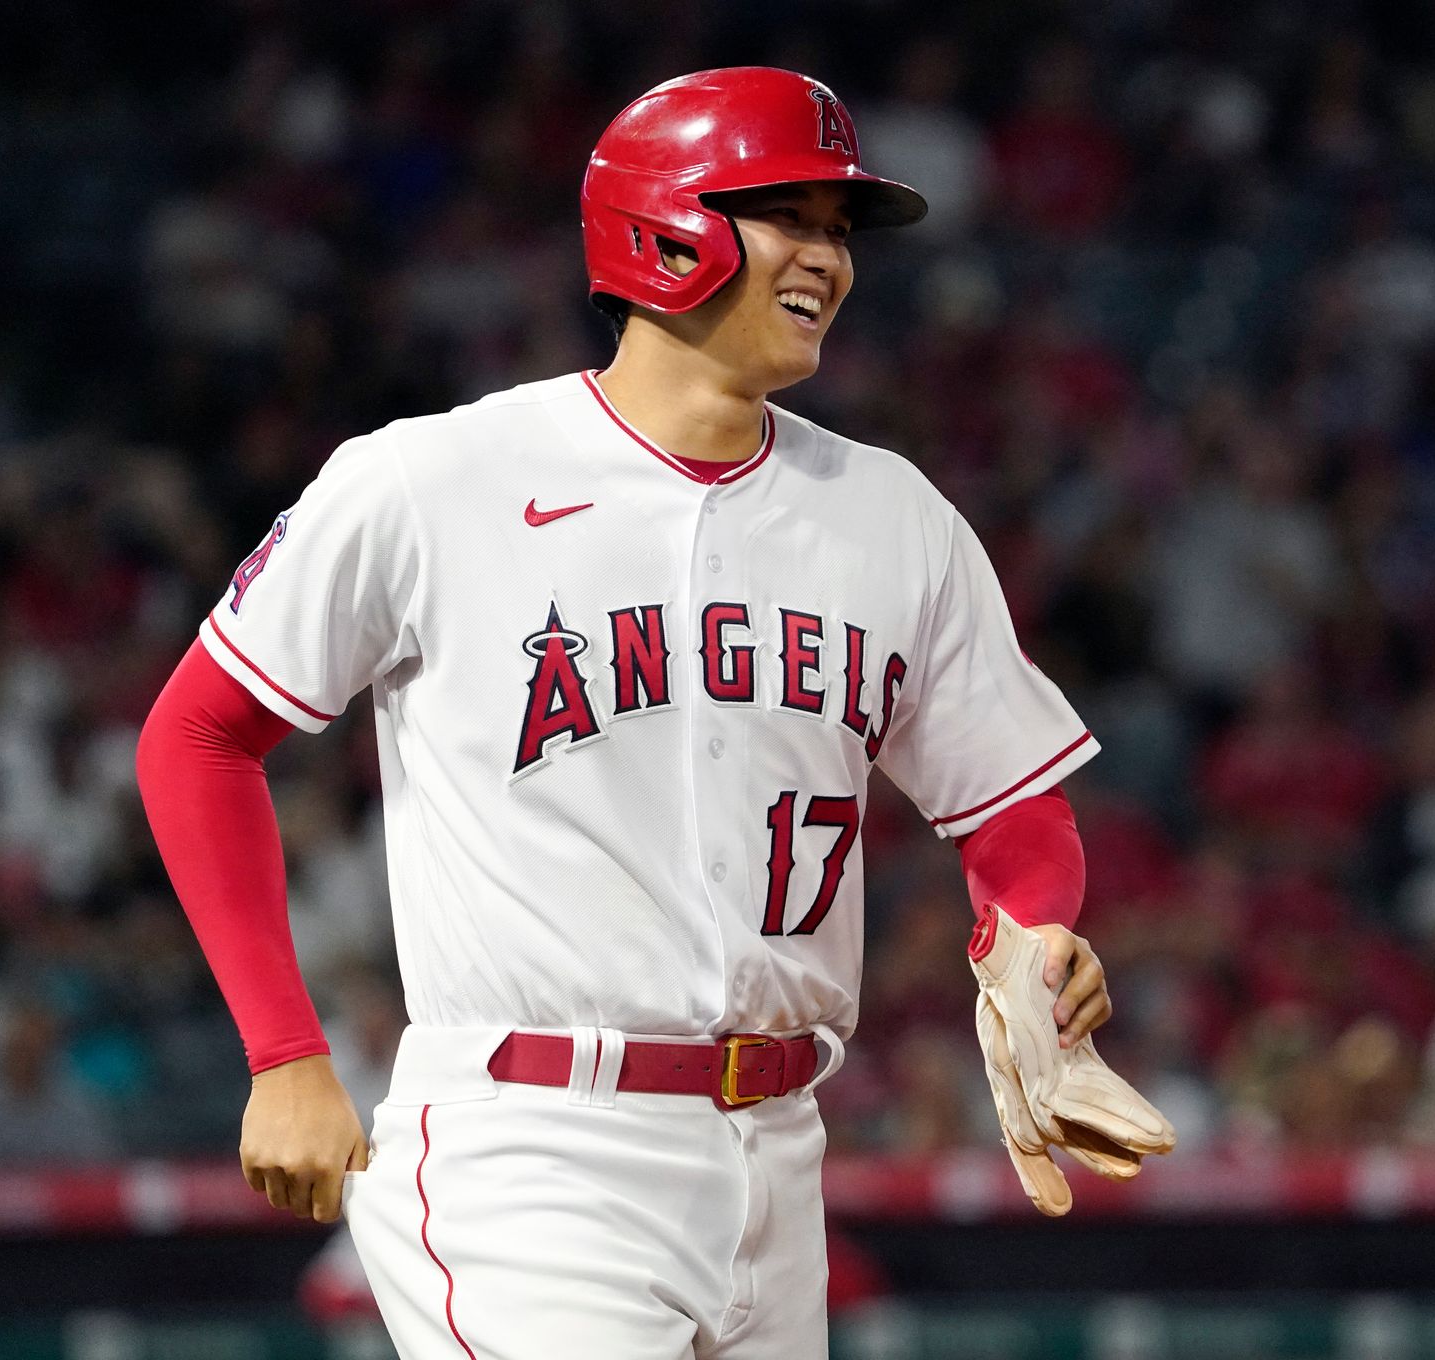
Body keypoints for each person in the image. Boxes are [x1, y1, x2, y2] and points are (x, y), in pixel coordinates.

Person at [137, 68, 1124, 1358]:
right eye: (794, 215)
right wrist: (283, 1052)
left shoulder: (893, 518)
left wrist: (1037, 936)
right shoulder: (436, 480)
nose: (829, 256)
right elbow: (198, 737)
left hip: (780, 1154)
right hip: (538, 1143)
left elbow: (1011, 809)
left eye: (841, 229)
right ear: (668, 227)